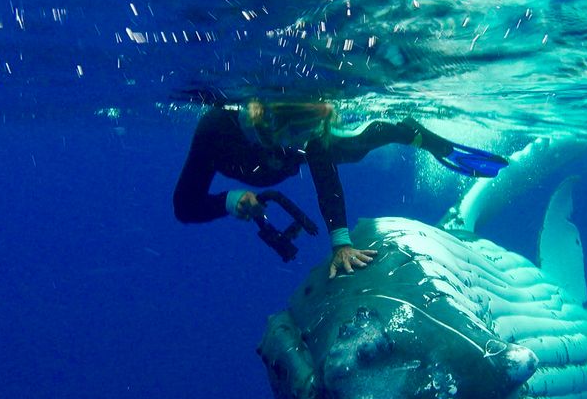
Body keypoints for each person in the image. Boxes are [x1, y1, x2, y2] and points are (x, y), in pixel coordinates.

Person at [173, 100, 507, 278]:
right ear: (274, 128)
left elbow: (325, 178)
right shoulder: (215, 131)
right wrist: (231, 200)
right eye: (297, 139)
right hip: (255, 158)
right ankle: (406, 132)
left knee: (353, 148)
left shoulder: (307, 141)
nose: (302, 146)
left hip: (292, 151)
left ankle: (418, 136)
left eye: (309, 138)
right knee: (338, 148)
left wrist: (341, 242)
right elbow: (185, 206)